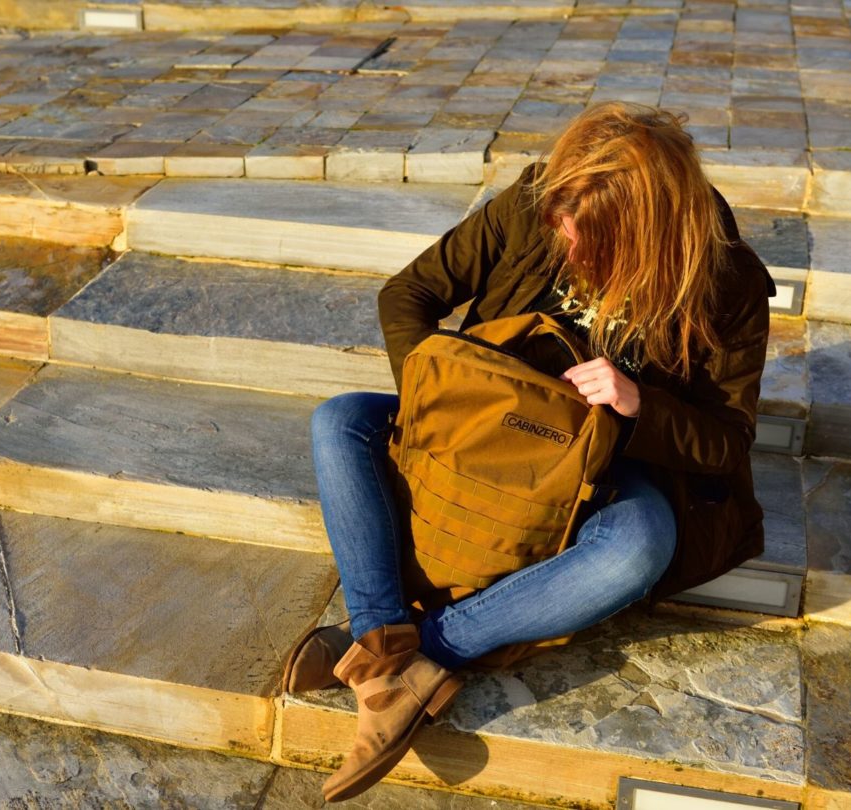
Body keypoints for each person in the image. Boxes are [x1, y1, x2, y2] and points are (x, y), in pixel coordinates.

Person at [287, 102, 776, 802]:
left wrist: (641, 403)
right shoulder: (533, 205)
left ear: (648, 232)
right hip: (485, 433)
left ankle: (405, 653)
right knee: (341, 421)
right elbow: (408, 295)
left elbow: (728, 439)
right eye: (563, 230)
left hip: (602, 466)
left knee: (640, 544)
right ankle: (383, 639)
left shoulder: (725, 284)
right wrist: (445, 399)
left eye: (591, 242)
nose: (570, 249)